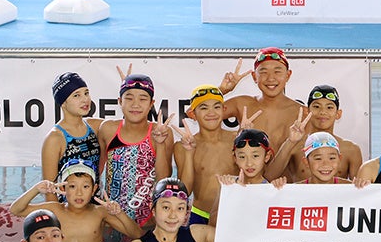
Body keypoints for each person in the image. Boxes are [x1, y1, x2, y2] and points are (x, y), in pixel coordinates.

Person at [9, 159, 143, 242]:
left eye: (85, 187)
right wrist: (36, 189)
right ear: (63, 188)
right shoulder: (55, 210)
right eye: (72, 186)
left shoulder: (100, 213)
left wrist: (119, 213)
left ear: (94, 189)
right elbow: (16, 210)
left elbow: (137, 235)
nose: (79, 193)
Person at [97, 74, 174, 227]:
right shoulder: (108, 129)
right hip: (113, 219)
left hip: (148, 221)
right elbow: (98, 171)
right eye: (129, 98)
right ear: (120, 101)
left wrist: (160, 144)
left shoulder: (161, 132)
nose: (135, 105)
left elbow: (163, 179)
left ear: (151, 104)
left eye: (143, 99)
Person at [266, 85, 363, 182]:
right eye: (316, 106)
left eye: (329, 107)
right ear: (307, 111)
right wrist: (290, 142)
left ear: (338, 114)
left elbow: (360, 187)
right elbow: (269, 177)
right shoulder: (294, 146)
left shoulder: (351, 150)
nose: (323, 112)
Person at [174, 85, 238, 225]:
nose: (211, 113)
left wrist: (248, 137)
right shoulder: (181, 147)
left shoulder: (237, 140)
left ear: (224, 110)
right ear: (193, 114)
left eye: (216, 107)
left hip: (234, 212)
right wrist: (189, 153)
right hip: (199, 215)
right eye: (204, 108)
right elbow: (185, 191)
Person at [217, 47, 305, 149]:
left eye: (277, 71)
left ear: (288, 75)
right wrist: (222, 90)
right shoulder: (242, 104)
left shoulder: (303, 113)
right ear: (254, 76)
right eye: (263, 72)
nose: (270, 78)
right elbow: (201, 114)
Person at [127, 178, 216, 242]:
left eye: (180, 208)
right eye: (166, 207)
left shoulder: (200, 235)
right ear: (153, 209)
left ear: (186, 211)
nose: (173, 215)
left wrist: (228, 189)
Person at [42, 72, 104, 202]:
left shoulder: (95, 127)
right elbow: (50, 192)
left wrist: (127, 91)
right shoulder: (55, 139)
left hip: (96, 208)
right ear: (63, 103)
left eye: (86, 93)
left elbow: (127, 128)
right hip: (68, 209)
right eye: (76, 95)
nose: (85, 99)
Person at [210, 129, 288, 225]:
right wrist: (233, 193)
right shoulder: (229, 184)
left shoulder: (270, 190)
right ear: (235, 158)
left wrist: (279, 191)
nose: (249, 163)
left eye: (255, 156)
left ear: (266, 157)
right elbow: (212, 223)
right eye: (242, 157)